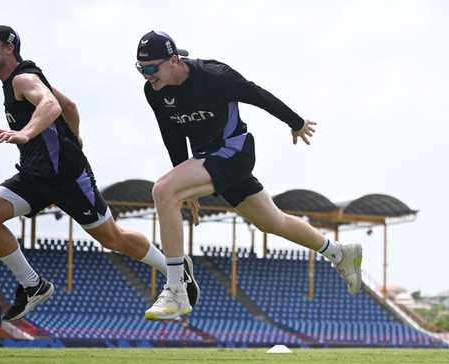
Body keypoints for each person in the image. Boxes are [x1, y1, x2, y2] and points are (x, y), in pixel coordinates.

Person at [0, 25, 200, 321]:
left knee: (112, 238)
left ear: (9, 48)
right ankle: (33, 285)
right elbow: (69, 106)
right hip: (34, 175)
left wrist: (26, 133)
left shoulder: (23, 78)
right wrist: (75, 136)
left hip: (67, 177)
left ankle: (175, 267)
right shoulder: (26, 79)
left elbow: (52, 105)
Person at [135, 30, 363, 320]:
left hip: (235, 152)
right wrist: (184, 184)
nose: (146, 75)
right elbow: (173, 137)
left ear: (174, 59)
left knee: (161, 190)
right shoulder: (154, 92)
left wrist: (296, 123)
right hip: (207, 160)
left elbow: (258, 95)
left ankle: (177, 290)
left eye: (152, 68)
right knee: (272, 221)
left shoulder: (215, 76)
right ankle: (340, 253)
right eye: (141, 69)